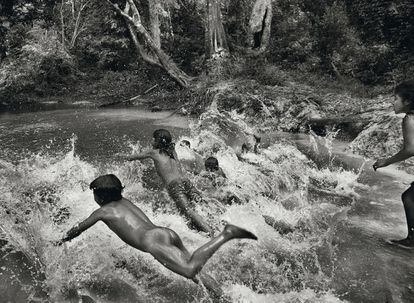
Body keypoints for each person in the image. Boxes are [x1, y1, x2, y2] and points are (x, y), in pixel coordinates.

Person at [56, 174, 257, 295]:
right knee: (197, 274)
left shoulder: (103, 211)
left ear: (99, 196)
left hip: (152, 241)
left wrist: (59, 240)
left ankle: (227, 234)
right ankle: (220, 296)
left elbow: (78, 228)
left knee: (189, 271)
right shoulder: (125, 202)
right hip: (165, 233)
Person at [118, 129, 214, 236]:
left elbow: (132, 158)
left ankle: (209, 231)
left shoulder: (153, 152)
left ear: (157, 141)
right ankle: (215, 219)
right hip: (186, 181)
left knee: (188, 210)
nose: (151, 140)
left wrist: (120, 156)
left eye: (153, 139)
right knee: (199, 202)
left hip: (174, 185)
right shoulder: (172, 151)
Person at [373, 80, 414, 248]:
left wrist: (386, 161)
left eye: (395, 98)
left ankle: (412, 240)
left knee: (410, 198)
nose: (392, 102)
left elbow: (410, 149)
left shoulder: (410, 119)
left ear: (407, 101)